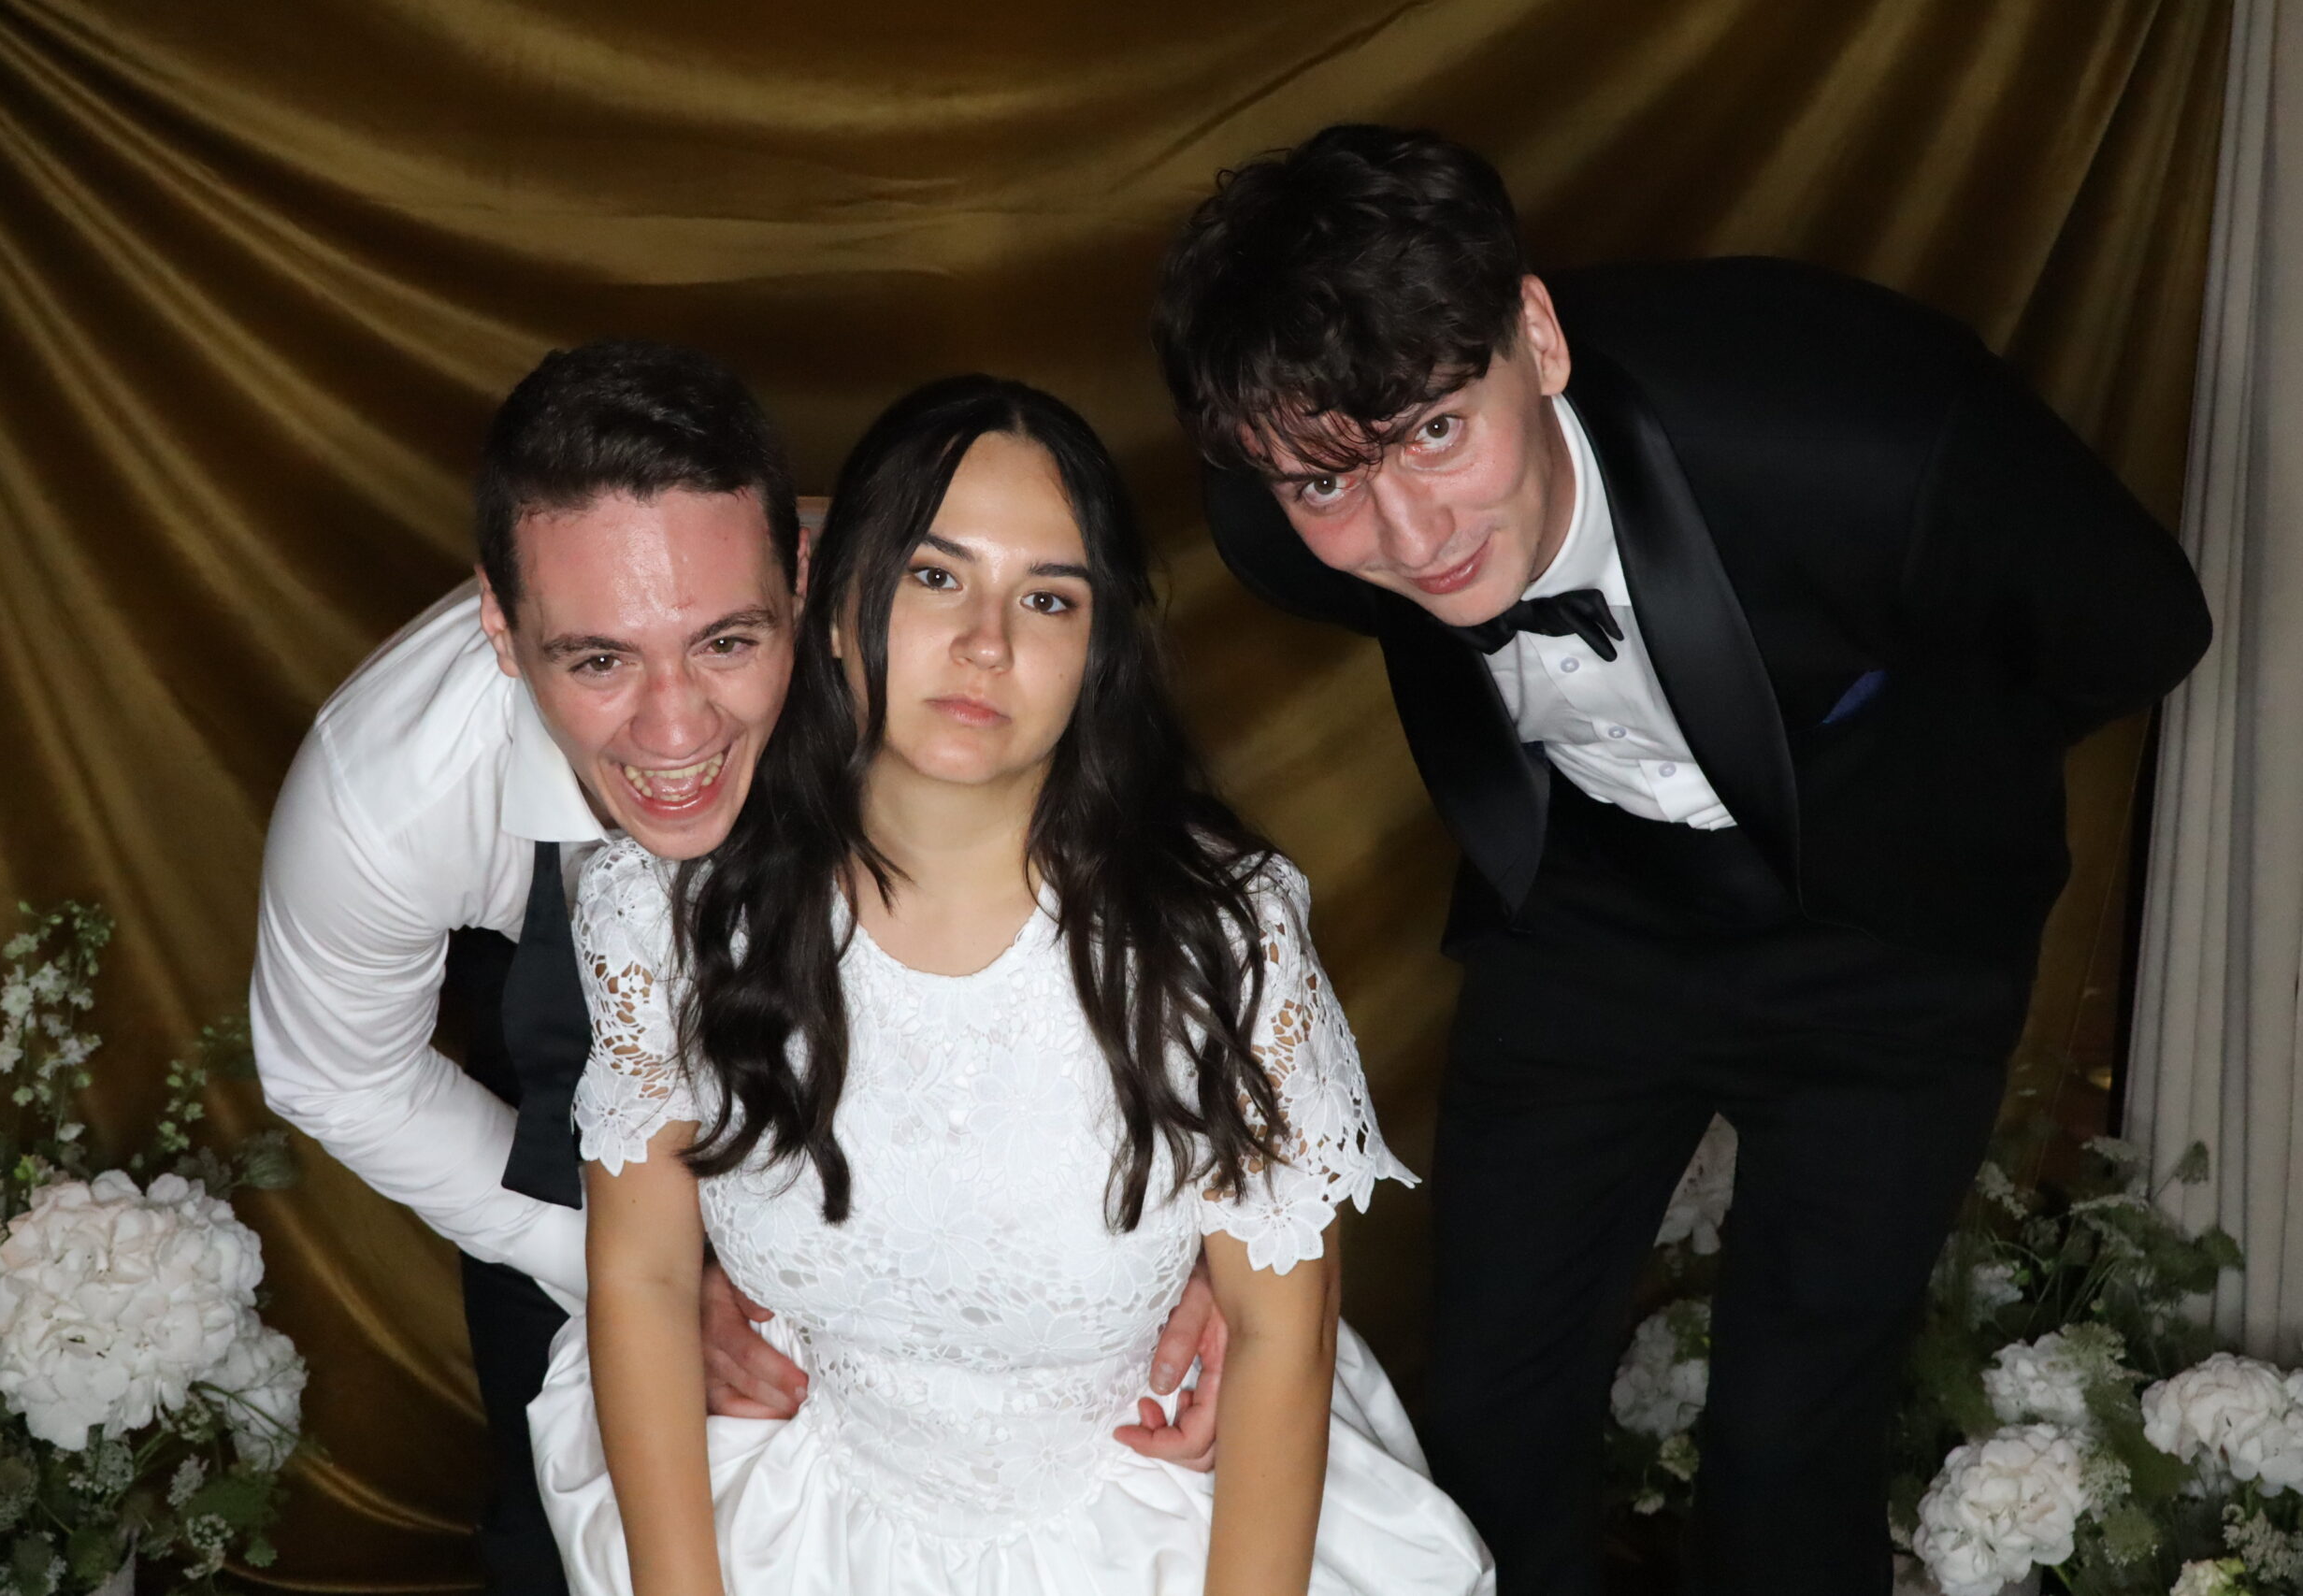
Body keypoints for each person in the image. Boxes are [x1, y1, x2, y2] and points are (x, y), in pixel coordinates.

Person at [1149, 125, 2212, 1595]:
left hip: (1890, 930)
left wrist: (1899, 788)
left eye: (1438, 432)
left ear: (1534, 336)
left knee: (1790, 1435)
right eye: (1331, 483)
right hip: (1590, 911)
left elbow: (2141, 628)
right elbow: (1368, 534)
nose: (1410, 532)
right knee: (1492, 1398)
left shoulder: (1863, 436)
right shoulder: (1280, 510)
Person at [250, 342, 1216, 1596]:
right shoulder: (385, 790)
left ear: (804, 580)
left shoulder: (925, 616)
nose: (675, 731)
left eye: (724, 643)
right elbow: (339, 1075)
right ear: (501, 621)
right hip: (589, 1128)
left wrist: (1176, 1257)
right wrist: (625, 1269)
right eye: (597, 660)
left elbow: (1131, 886)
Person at [524, 375, 1493, 1595]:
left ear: (1095, 654)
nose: (987, 643)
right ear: (833, 602)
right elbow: (645, 1276)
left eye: (1047, 599)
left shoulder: (1222, 934)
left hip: (1152, 1524)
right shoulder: (670, 908)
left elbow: (1278, 1334)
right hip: (801, 1518)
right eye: (935, 576)